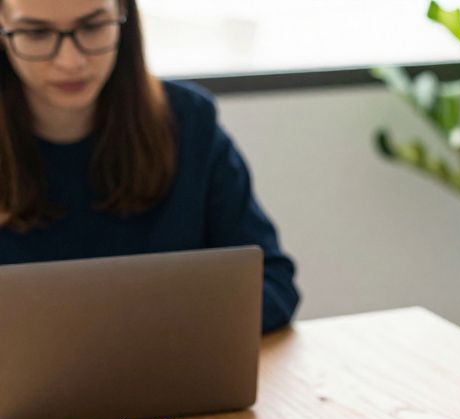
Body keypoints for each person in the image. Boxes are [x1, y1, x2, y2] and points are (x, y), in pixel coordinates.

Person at [0, 0, 299, 332]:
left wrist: (165, 337)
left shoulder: (187, 121)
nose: (70, 60)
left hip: (171, 372)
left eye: (93, 27)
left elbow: (272, 281)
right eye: (37, 33)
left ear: (124, 21)